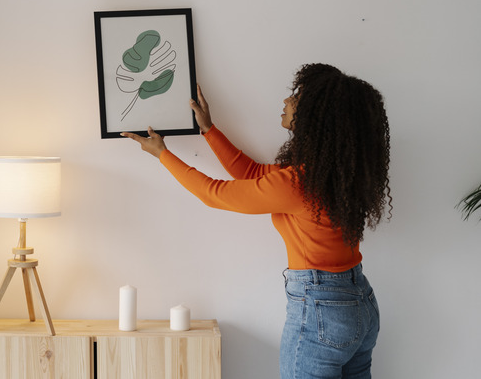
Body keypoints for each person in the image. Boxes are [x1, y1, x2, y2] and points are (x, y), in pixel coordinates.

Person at [122, 63, 390, 379]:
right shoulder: (330, 176)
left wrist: (162, 154)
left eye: (297, 97)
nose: (287, 102)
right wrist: (209, 130)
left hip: (323, 311)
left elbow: (214, 194)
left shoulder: (299, 184)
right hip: (360, 302)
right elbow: (252, 174)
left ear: (316, 117)